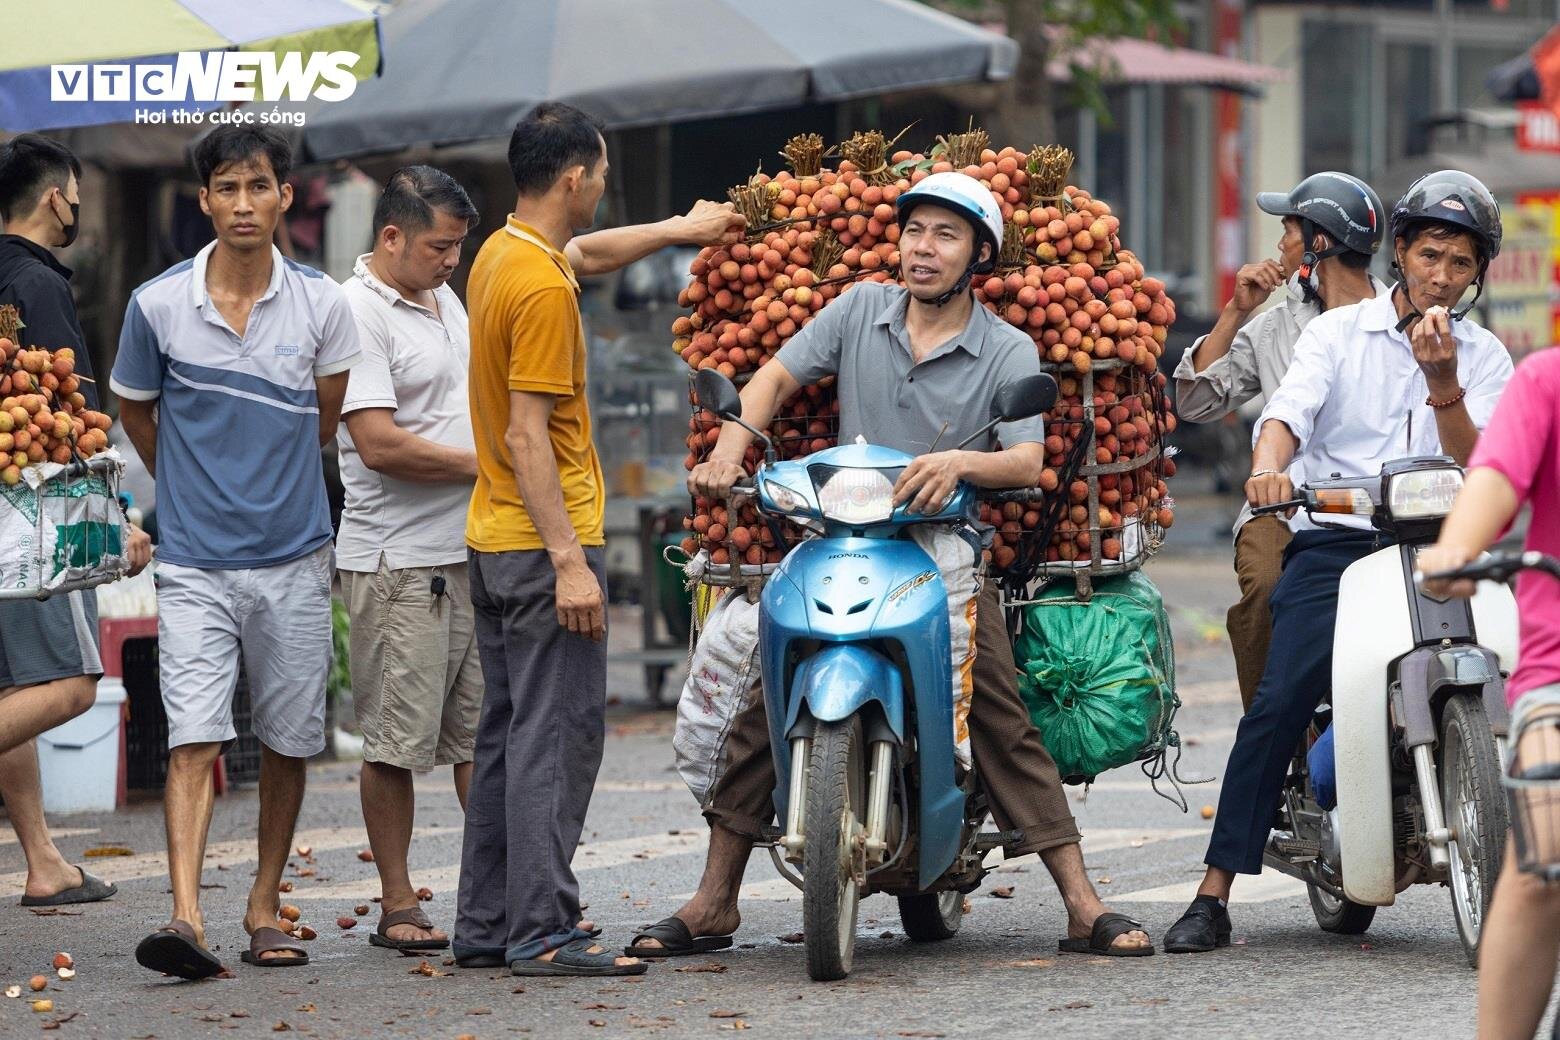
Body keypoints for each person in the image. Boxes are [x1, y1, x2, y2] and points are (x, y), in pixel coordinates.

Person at [629, 171, 1154, 963]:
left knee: (997, 712)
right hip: (844, 536)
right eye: (915, 232)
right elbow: (773, 378)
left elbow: (1024, 460)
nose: (923, 249)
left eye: (945, 236)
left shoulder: (1006, 347)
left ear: (978, 253)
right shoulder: (858, 310)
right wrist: (733, 443)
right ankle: (714, 900)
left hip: (940, 548)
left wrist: (960, 464)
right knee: (766, 693)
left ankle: (1082, 903)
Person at [1162, 170, 1513, 954]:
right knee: (1282, 695)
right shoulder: (1333, 335)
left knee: (1522, 675)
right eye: (1430, 257)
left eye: (1461, 265)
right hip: (1337, 539)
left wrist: (1443, 381)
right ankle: (1215, 891)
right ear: (1401, 252)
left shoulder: (1485, 357)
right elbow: (1285, 416)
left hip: (1443, 545)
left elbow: (1488, 465)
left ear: (1477, 274)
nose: (1443, 278)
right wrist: (1271, 467)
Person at [455, 101, 745, 978]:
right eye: (604, 173)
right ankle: (543, 930)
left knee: (508, 737)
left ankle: (487, 923)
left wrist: (681, 229)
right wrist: (572, 563)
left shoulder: (507, 254)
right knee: (557, 738)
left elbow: (585, 253)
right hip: (543, 549)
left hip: (493, 541)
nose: (606, 185)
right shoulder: (541, 288)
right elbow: (526, 435)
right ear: (576, 177)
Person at [111, 124, 361, 978]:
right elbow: (138, 417)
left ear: (286, 195)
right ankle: (184, 917)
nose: (243, 204)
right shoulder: (156, 306)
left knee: (289, 740)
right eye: (227, 188)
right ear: (205, 200)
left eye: (259, 186)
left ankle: (263, 904)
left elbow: (326, 423)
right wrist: (188, 487)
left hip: (295, 556)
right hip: (192, 562)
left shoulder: (325, 305)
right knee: (193, 738)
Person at [0, 133, 150, 907]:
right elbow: (69, 424)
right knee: (69, 684)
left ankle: (44, 861)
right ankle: (44, 860)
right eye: (76, 193)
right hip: (31, 517)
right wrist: (118, 520)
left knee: (8, 690)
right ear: (59, 195)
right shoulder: (40, 284)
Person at [336, 166, 482, 954]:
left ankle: (501, 893)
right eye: (439, 245)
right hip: (397, 563)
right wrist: (490, 465)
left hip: (464, 553)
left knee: (477, 739)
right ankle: (398, 903)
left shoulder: (442, 296)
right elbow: (378, 442)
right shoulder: (356, 311)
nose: (451, 259)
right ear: (391, 236)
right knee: (395, 744)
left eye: (458, 246)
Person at [1173, 172, 1387, 710]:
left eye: (1288, 229)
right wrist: (1237, 308)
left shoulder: (1398, 322)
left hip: (1381, 511)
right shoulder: (1274, 328)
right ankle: (1274, 739)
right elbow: (1195, 403)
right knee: (1267, 590)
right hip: (1285, 510)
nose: (1278, 244)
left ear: (1318, 243)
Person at [1417, 349, 1560, 1040]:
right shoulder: (1546, 381)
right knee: (1546, 857)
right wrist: (1458, 548)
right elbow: (1495, 477)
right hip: (1558, 678)